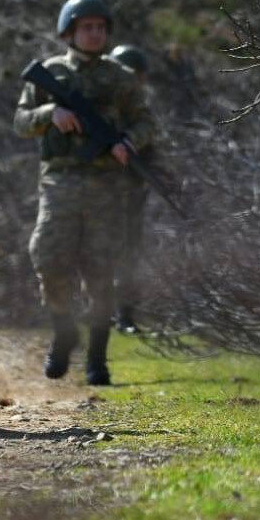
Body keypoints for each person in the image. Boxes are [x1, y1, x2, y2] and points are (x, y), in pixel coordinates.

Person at [13, 0, 155, 386]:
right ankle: (63, 330)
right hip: (60, 181)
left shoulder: (120, 77)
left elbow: (146, 122)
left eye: (100, 27)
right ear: (70, 31)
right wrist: (50, 115)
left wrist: (129, 142)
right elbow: (21, 121)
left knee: (100, 270)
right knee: (47, 256)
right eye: (86, 27)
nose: (94, 34)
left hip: (107, 184)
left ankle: (97, 358)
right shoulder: (51, 73)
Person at [109, 44, 151, 333]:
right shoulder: (103, 108)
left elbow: (151, 145)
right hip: (97, 191)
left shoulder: (140, 113)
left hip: (131, 192)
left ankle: (125, 314)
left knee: (129, 254)